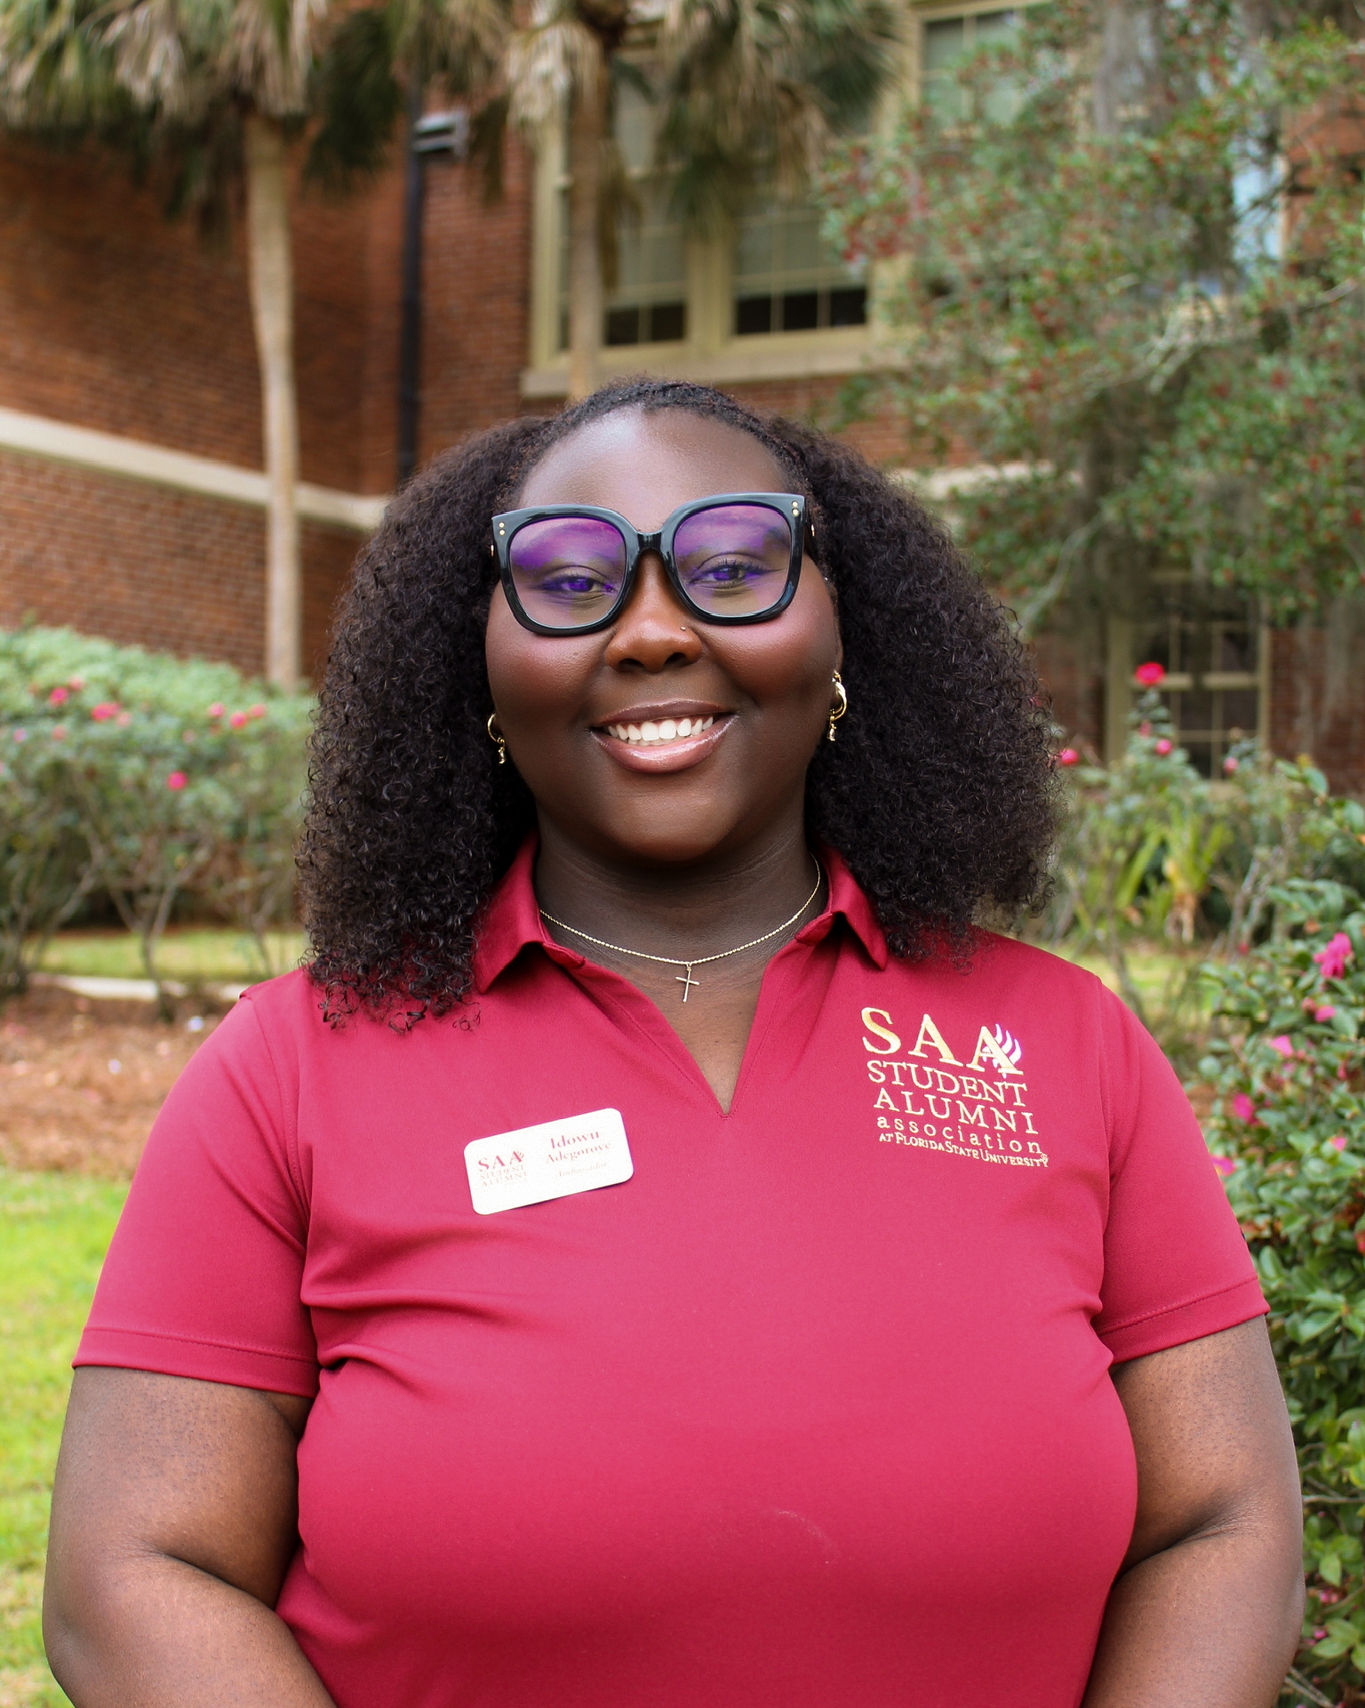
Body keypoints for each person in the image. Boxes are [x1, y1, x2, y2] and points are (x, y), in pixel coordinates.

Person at [44, 378, 1304, 1708]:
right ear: (475, 668)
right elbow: (134, 1574)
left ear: (841, 642)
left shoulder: (1066, 1045)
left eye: (730, 566)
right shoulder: (290, 1068)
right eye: (567, 578)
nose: (651, 631)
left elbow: (1222, 1525)